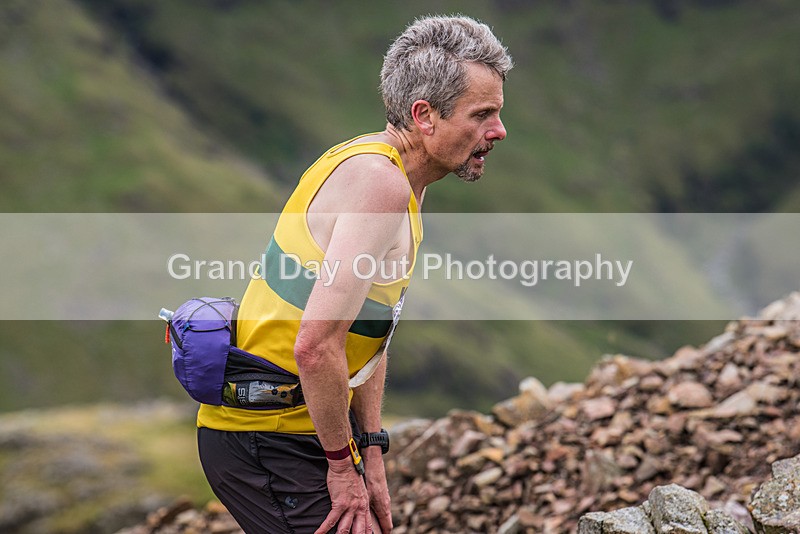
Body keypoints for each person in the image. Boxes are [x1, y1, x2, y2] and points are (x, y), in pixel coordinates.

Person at [196, 14, 512, 534]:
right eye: (483, 114)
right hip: (264, 435)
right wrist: (342, 470)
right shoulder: (380, 187)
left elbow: (366, 335)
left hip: (294, 430)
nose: (498, 130)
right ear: (425, 115)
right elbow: (316, 346)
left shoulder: (391, 174)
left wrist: (371, 454)